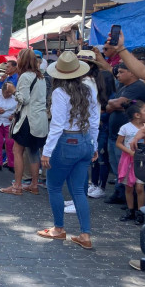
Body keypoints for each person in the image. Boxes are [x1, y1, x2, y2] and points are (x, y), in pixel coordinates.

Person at [38, 51, 99, 249]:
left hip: (66, 141)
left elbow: (57, 125)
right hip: (84, 142)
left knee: (54, 187)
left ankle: (59, 228)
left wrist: (47, 151)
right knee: (79, 190)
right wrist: (94, 144)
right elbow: (94, 122)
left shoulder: (59, 92)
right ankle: (85, 234)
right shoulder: (88, 90)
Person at [1, 49, 47, 196]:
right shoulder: (41, 77)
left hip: (27, 120)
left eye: (19, 57)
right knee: (33, 152)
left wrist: (13, 90)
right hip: (39, 120)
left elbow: (24, 99)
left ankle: (17, 186)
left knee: (17, 151)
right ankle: (34, 185)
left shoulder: (25, 76)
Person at [105, 63, 145, 204]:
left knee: (131, 173)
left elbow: (118, 104)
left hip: (128, 140)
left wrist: (115, 104)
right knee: (118, 168)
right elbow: (109, 106)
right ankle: (121, 194)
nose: (117, 75)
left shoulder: (138, 87)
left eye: (121, 72)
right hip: (116, 135)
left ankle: (130, 201)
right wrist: (114, 103)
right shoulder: (122, 86)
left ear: (132, 72)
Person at [77, 50, 116, 199]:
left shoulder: (93, 81)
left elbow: (99, 106)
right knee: (92, 159)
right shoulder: (90, 80)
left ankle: (100, 185)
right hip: (94, 124)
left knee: (99, 157)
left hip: (99, 124)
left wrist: (101, 115)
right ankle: (93, 184)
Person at [116, 100, 145, 224]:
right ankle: (130, 210)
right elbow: (118, 143)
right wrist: (129, 152)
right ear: (137, 115)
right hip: (128, 161)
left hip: (142, 160)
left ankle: (140, 212)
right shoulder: (125, 128)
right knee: (128, 187)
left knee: (140, 187)